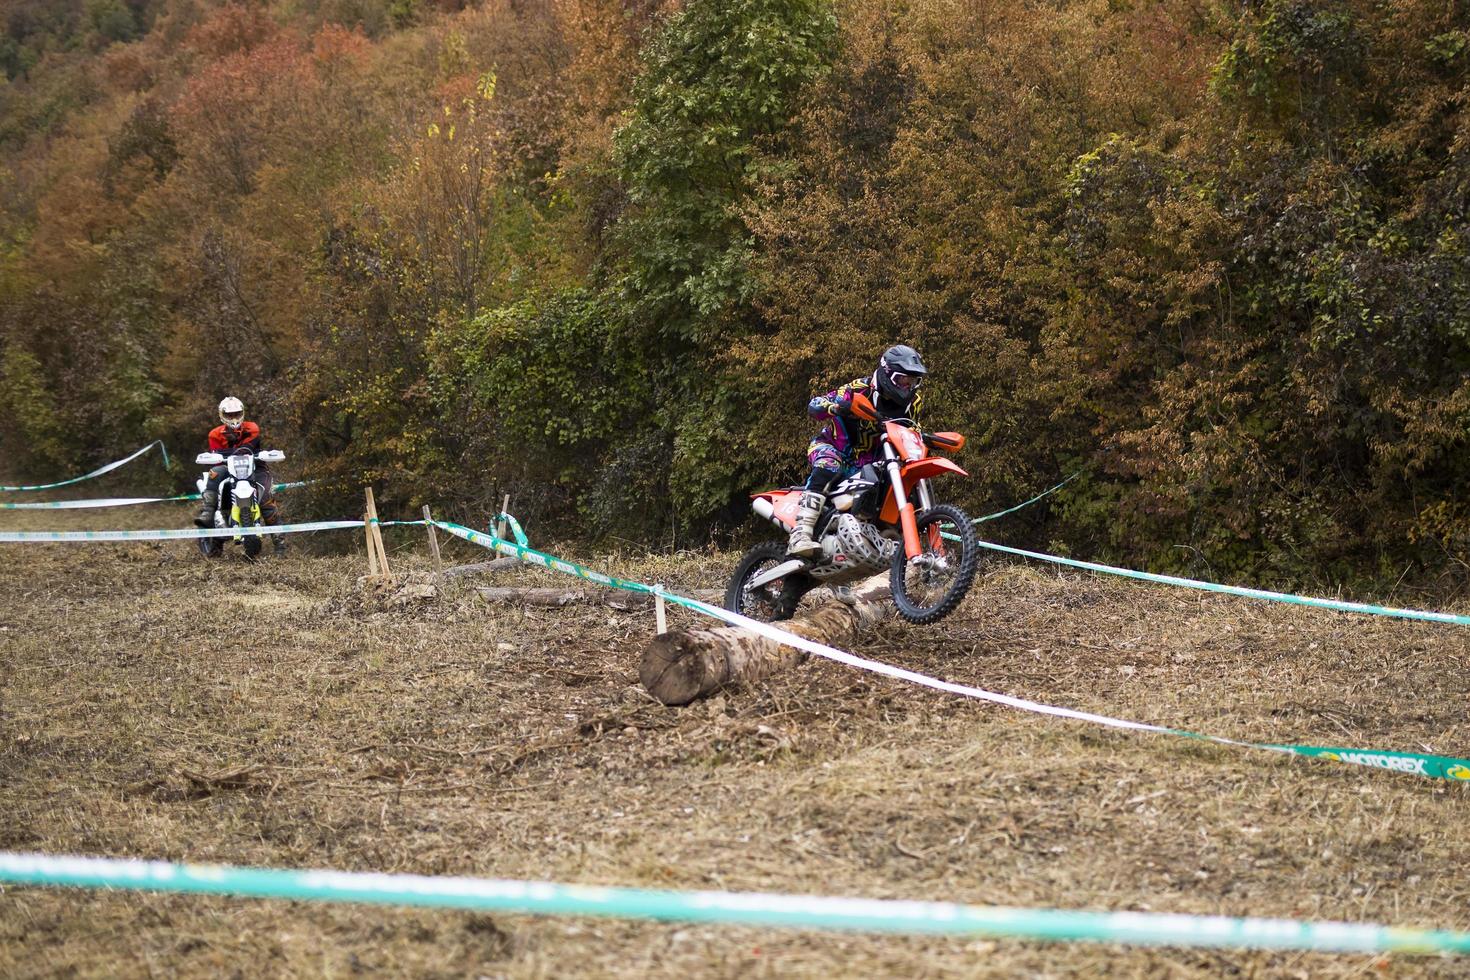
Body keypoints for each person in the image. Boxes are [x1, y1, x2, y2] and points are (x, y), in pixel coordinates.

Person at [789, 345, 927, 557]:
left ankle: (885, 537)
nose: (908, 386)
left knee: (901, 476)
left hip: (873, 462)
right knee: (829, 465)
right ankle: (801, 534)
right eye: (903, 380)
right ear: (888, 373)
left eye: (913, 381)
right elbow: (815, 404)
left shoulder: (914, 403)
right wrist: (836, 407)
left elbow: (911, 429)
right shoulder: (860, 389)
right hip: (835, 448)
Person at [194, 396, 285, 554]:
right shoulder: (214, 434)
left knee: (266, 501)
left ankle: (280, 544)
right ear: (222, 415)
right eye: (229, 415)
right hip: (225, 466)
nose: (234, 418)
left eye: (237, 413)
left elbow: (247, 448)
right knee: (214, 473)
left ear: (243, 412)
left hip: (256, 465)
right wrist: (218, 455)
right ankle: (208, 512)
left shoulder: (252, 428)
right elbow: (217, 454)